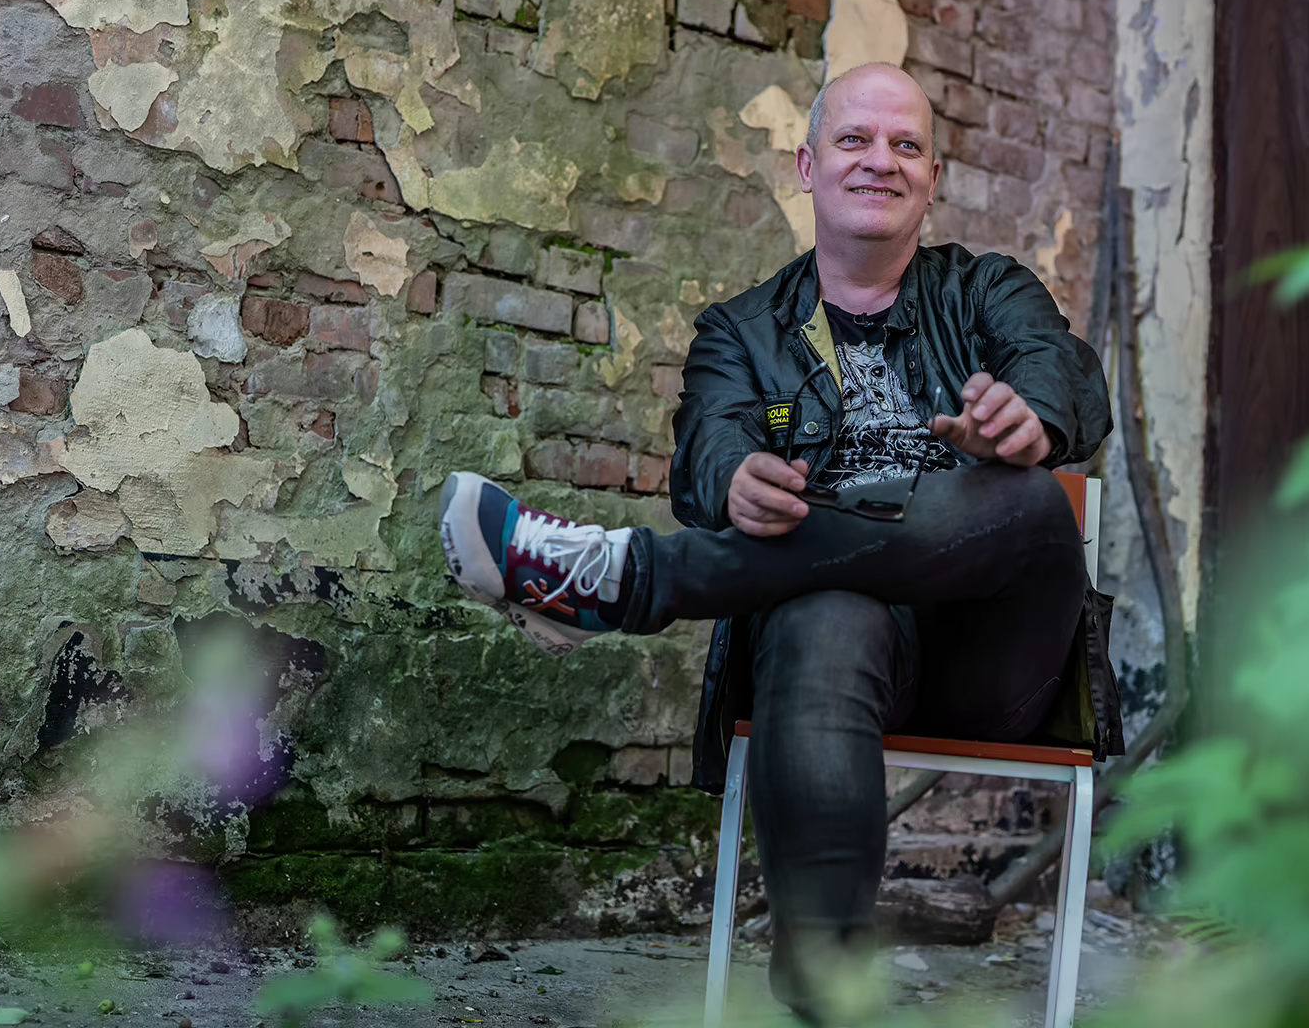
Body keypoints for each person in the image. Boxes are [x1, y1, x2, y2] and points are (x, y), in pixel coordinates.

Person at [439, 63, 1113, 1022]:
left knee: (1035, 501)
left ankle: (630, 580)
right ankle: (824, 1001)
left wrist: (1031, 416)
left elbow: (1060, 366)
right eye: (854, 139)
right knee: (825, 615)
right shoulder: (742, 332)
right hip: (833, 655)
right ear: (808, 165)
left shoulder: (986, 290)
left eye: (906, 145)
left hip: (990, 657)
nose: (881, 160)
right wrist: (732, 479)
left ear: (932, 178)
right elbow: (709, 443)